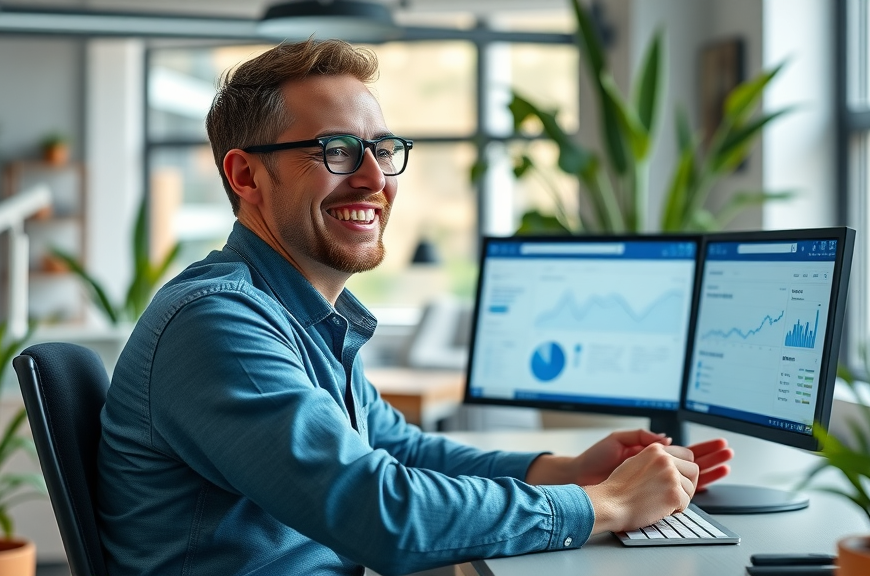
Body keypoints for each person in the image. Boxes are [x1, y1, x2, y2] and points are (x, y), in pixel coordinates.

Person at [97, 38, 734, 576]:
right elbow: (381, 513)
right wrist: (607, 505)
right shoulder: (218, 323)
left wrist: (564, 469)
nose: (375, 179)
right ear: (247, 176)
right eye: (337, 150)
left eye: (382, 150)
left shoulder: (303, 318)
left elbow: (400, 450)